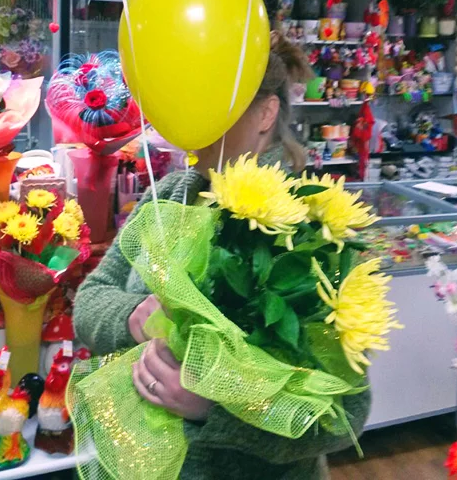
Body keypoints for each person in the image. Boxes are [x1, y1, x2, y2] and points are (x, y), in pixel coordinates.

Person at [74, 32, 371, 480]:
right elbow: (90, 299)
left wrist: (217, 409)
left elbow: (346, 413)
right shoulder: (171, 195)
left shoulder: (312, 228)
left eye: (215, 104)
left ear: (266, 113)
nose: (195, 121)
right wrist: (132, 316)